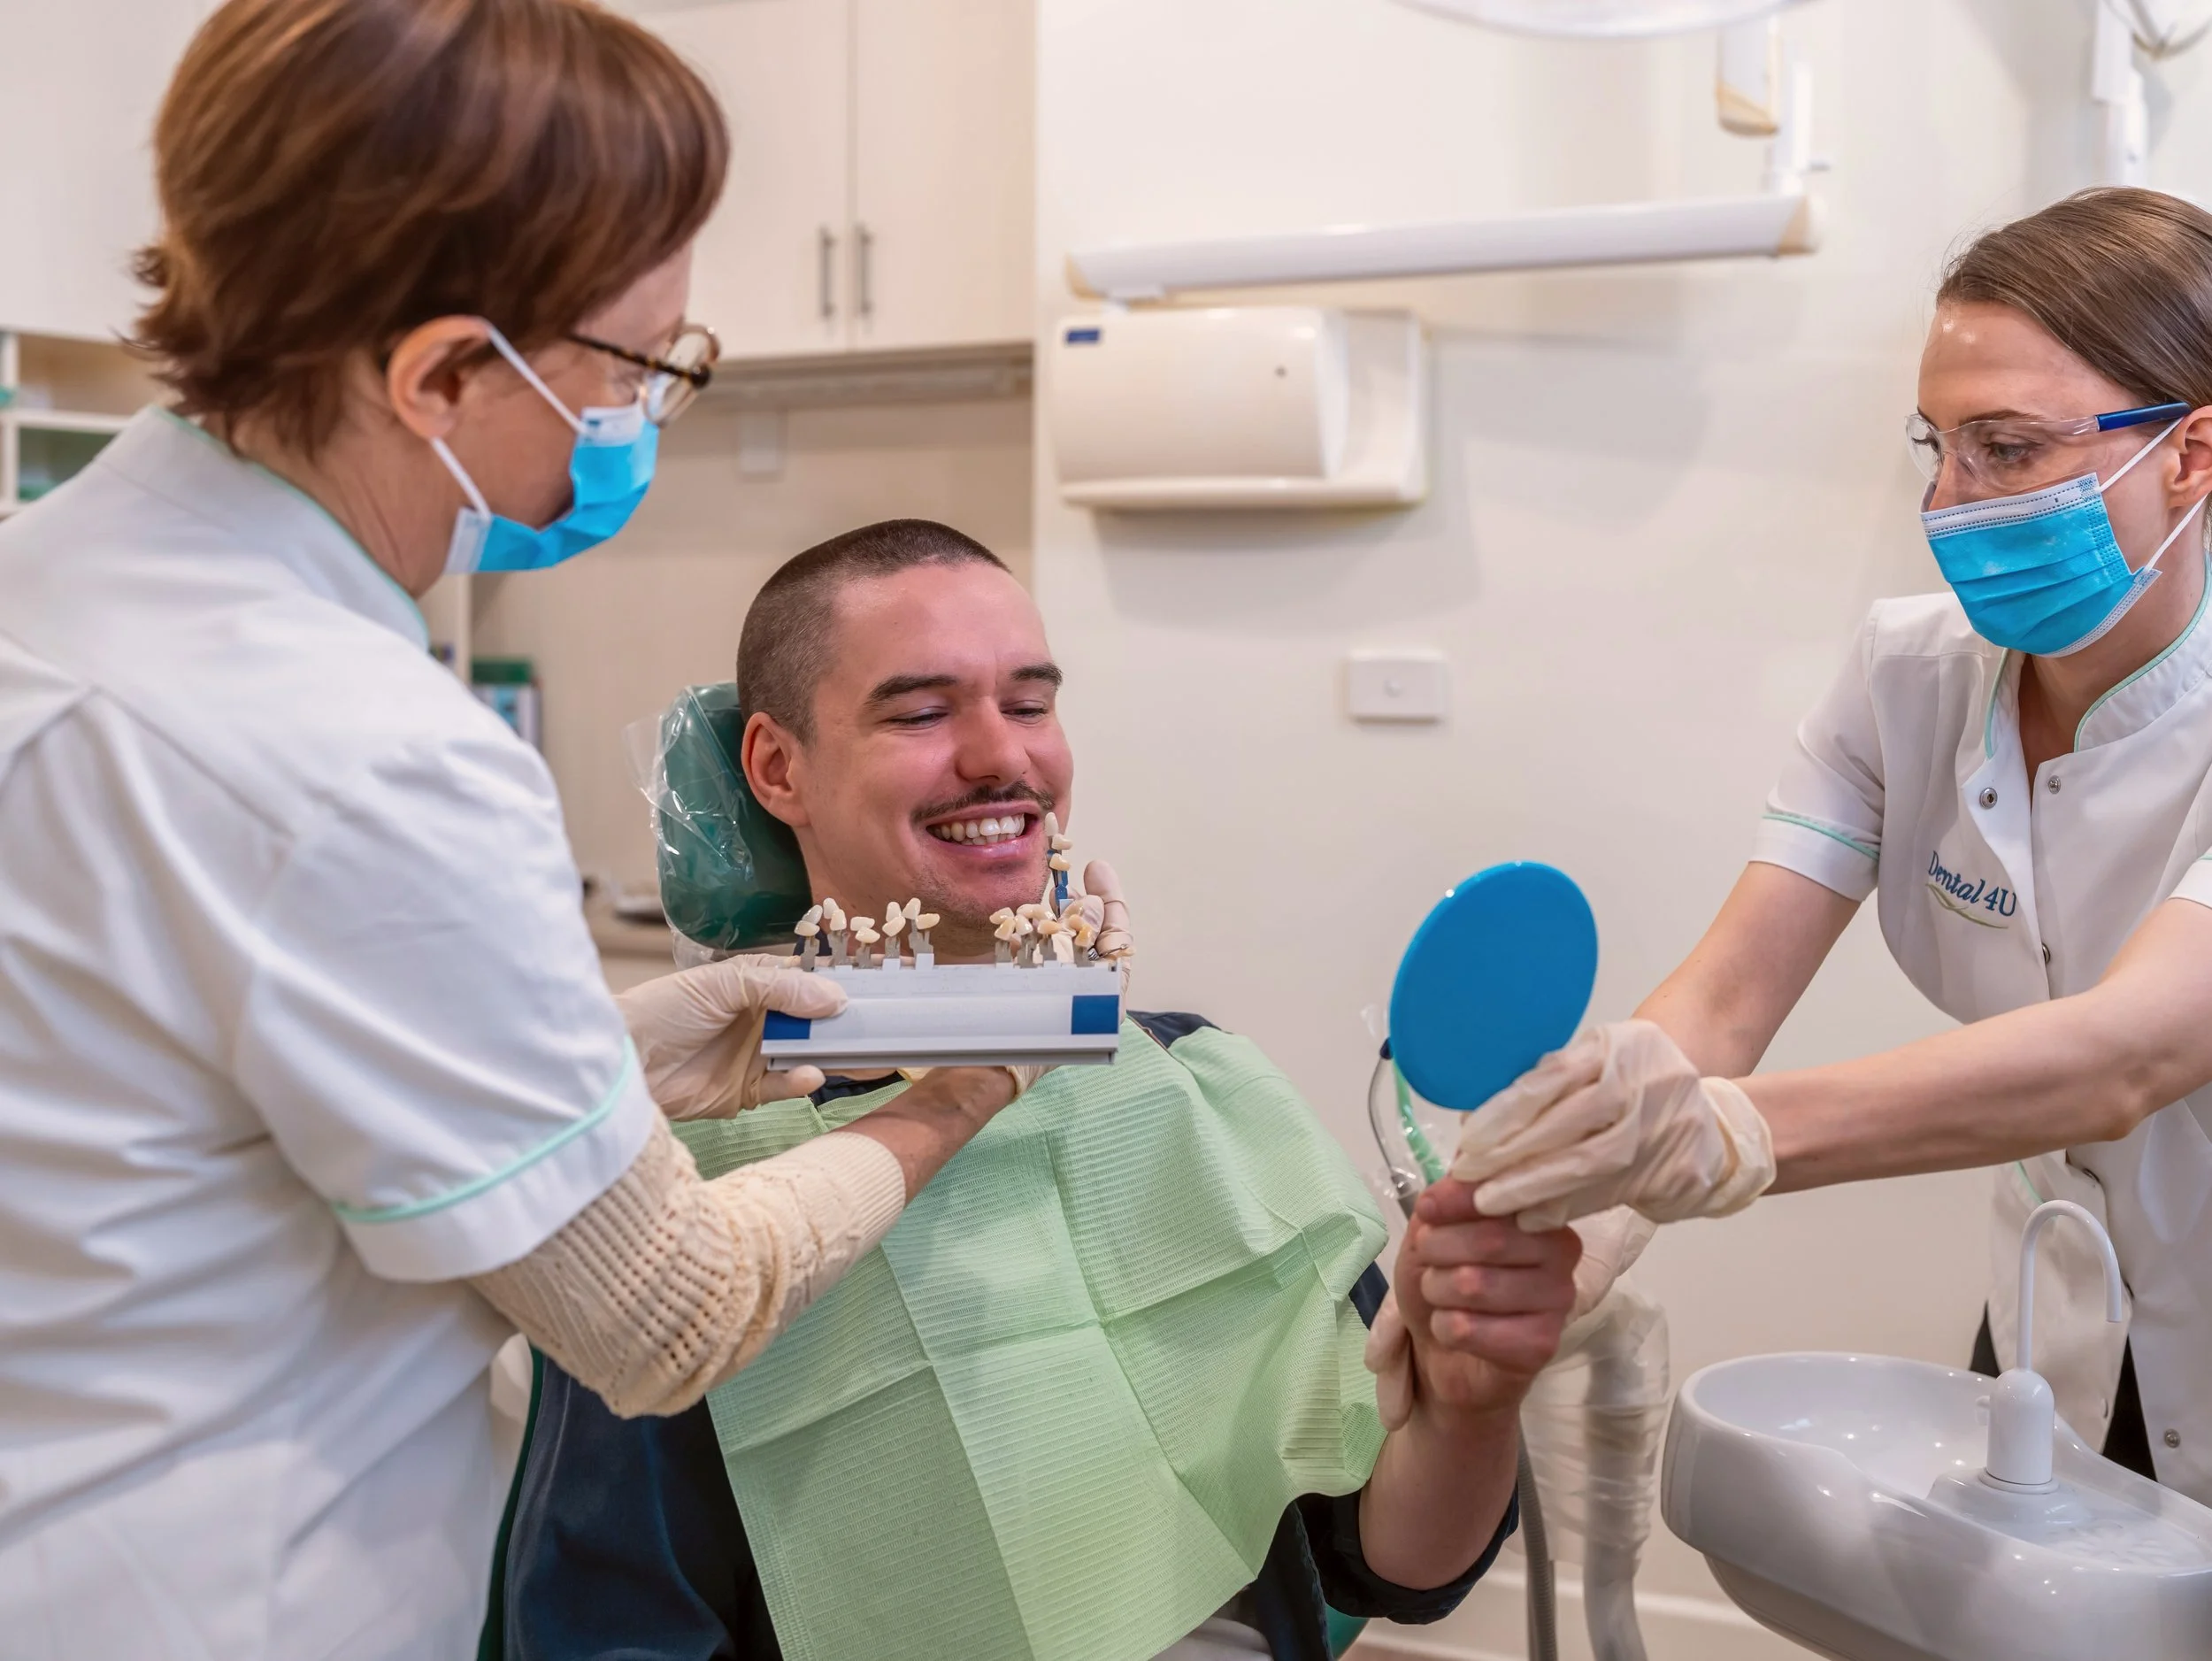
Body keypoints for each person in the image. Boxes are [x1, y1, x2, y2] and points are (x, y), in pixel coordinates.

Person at [0, 4, 1031, 1655]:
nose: (643, 419)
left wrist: (610, 1054)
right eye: (640, 370)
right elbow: (670, 1315)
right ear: (442, 375)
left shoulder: (49, 589)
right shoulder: (361, 750)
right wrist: (957, 1096)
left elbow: (180, 1092)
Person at [495, 520, 1592, 1661]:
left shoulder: (1193, 1086)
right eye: (921, 713)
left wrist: (1470, 1410)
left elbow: (1393, 1566)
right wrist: (978, 1078)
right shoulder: (680, 1190)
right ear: (778, 768)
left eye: (1029, 704)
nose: (1000, 758)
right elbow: (613, 1631)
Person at [1416, 186, 2212, 1501]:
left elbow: (2128, 1056)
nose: (1952, 501)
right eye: (1939, 446)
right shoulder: (1908, 678)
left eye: (2008, 447)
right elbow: (1726, 999)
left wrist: (1720, 1140)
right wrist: (1562, 1230)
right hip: (2057, 1329)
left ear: (2189, 454)